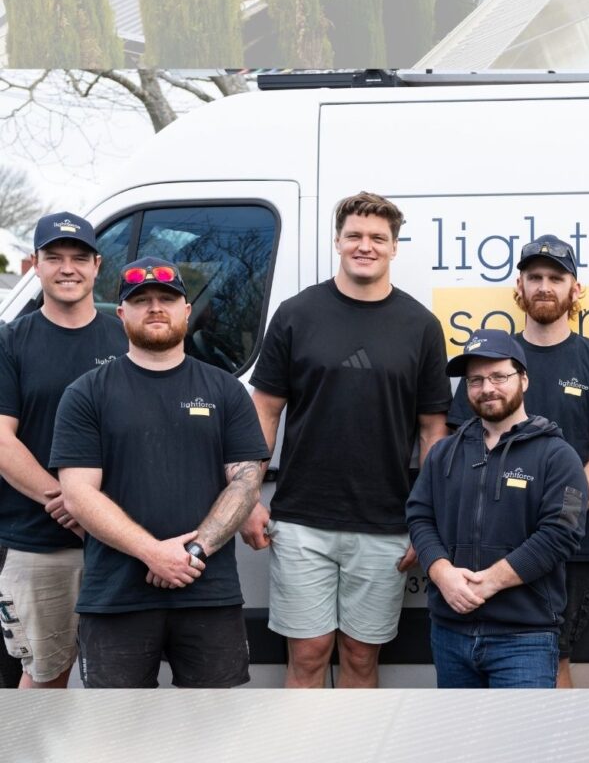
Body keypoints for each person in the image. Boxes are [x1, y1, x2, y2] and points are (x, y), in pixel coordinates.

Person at [242, 191, 452, 688]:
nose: (366, 246)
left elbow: (433, 431)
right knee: (309, 657)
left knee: (361, 659)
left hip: (385, 523)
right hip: (301, 522)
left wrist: (430, 524)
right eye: (355, 235)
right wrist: (247, 497)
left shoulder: (420, 325)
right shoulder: (297, 314)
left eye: (378, 238)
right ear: (337, 240)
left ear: (395, 248)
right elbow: (264, 412)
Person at [49, 257, 269, 688]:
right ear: (121, 314)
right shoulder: (86, 393)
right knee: (117, 741)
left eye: (167, 299)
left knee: (217, 737)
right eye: (141, 300)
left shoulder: (225, 390)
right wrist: (153, 552)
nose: (155, 308)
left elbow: (246, 480)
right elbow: (78, 494)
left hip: (209, 594)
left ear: (187, 310)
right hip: (116, 598)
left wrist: (195, 552)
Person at [448, 234, 589, 687]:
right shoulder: (489, 361)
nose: (544, 286)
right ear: (519, 288)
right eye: (534, 277)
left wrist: (553, 523)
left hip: (568, 547)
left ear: (575, 289)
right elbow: (458, 448)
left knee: (555, 663)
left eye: (555, 277)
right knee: (473, 659)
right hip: (483, 544)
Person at [406, 329, 588, 688]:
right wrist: (442, 573)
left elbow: (562, 533)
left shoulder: (559, 456)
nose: (487, 387)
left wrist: (488, 583)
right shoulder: (445, 453)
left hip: (525, 640)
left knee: (519, 745)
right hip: (450, 635)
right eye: (475, 380)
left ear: (523, 379)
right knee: (460, 744)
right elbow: (419, 515)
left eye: (498, 376)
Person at [0, 211, 127, 689]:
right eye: (55, 257)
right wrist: (71, 501)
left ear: (98, 265)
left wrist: (102, 516)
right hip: (43, 542)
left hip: (122, 545)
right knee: (47, 676)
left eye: (79, 258)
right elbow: (1, 439)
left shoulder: (125, 336)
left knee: (122, 680)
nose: (67, 268)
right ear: (34, 265)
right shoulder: (10, 341)